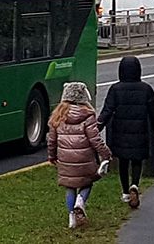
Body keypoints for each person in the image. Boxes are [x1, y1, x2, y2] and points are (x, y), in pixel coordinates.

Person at [97, 56, 154, 209]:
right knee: (137, 160)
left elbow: (107, 110)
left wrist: (96, 127)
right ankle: (135, 184)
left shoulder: (115, 89)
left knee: (123, 162)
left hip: (121, 131)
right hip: (140, 130)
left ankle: (125, 192)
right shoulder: (146, 89)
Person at [48, 81, 112, 229]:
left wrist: (52, 156)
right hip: (84, 157)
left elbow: (51, 140)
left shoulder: (57, 115)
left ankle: (71, 217)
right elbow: (95, 139)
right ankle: (81, 201)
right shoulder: (88, 115)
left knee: (70, 186)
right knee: (88, 182)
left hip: (65, 158)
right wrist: (106, 154)